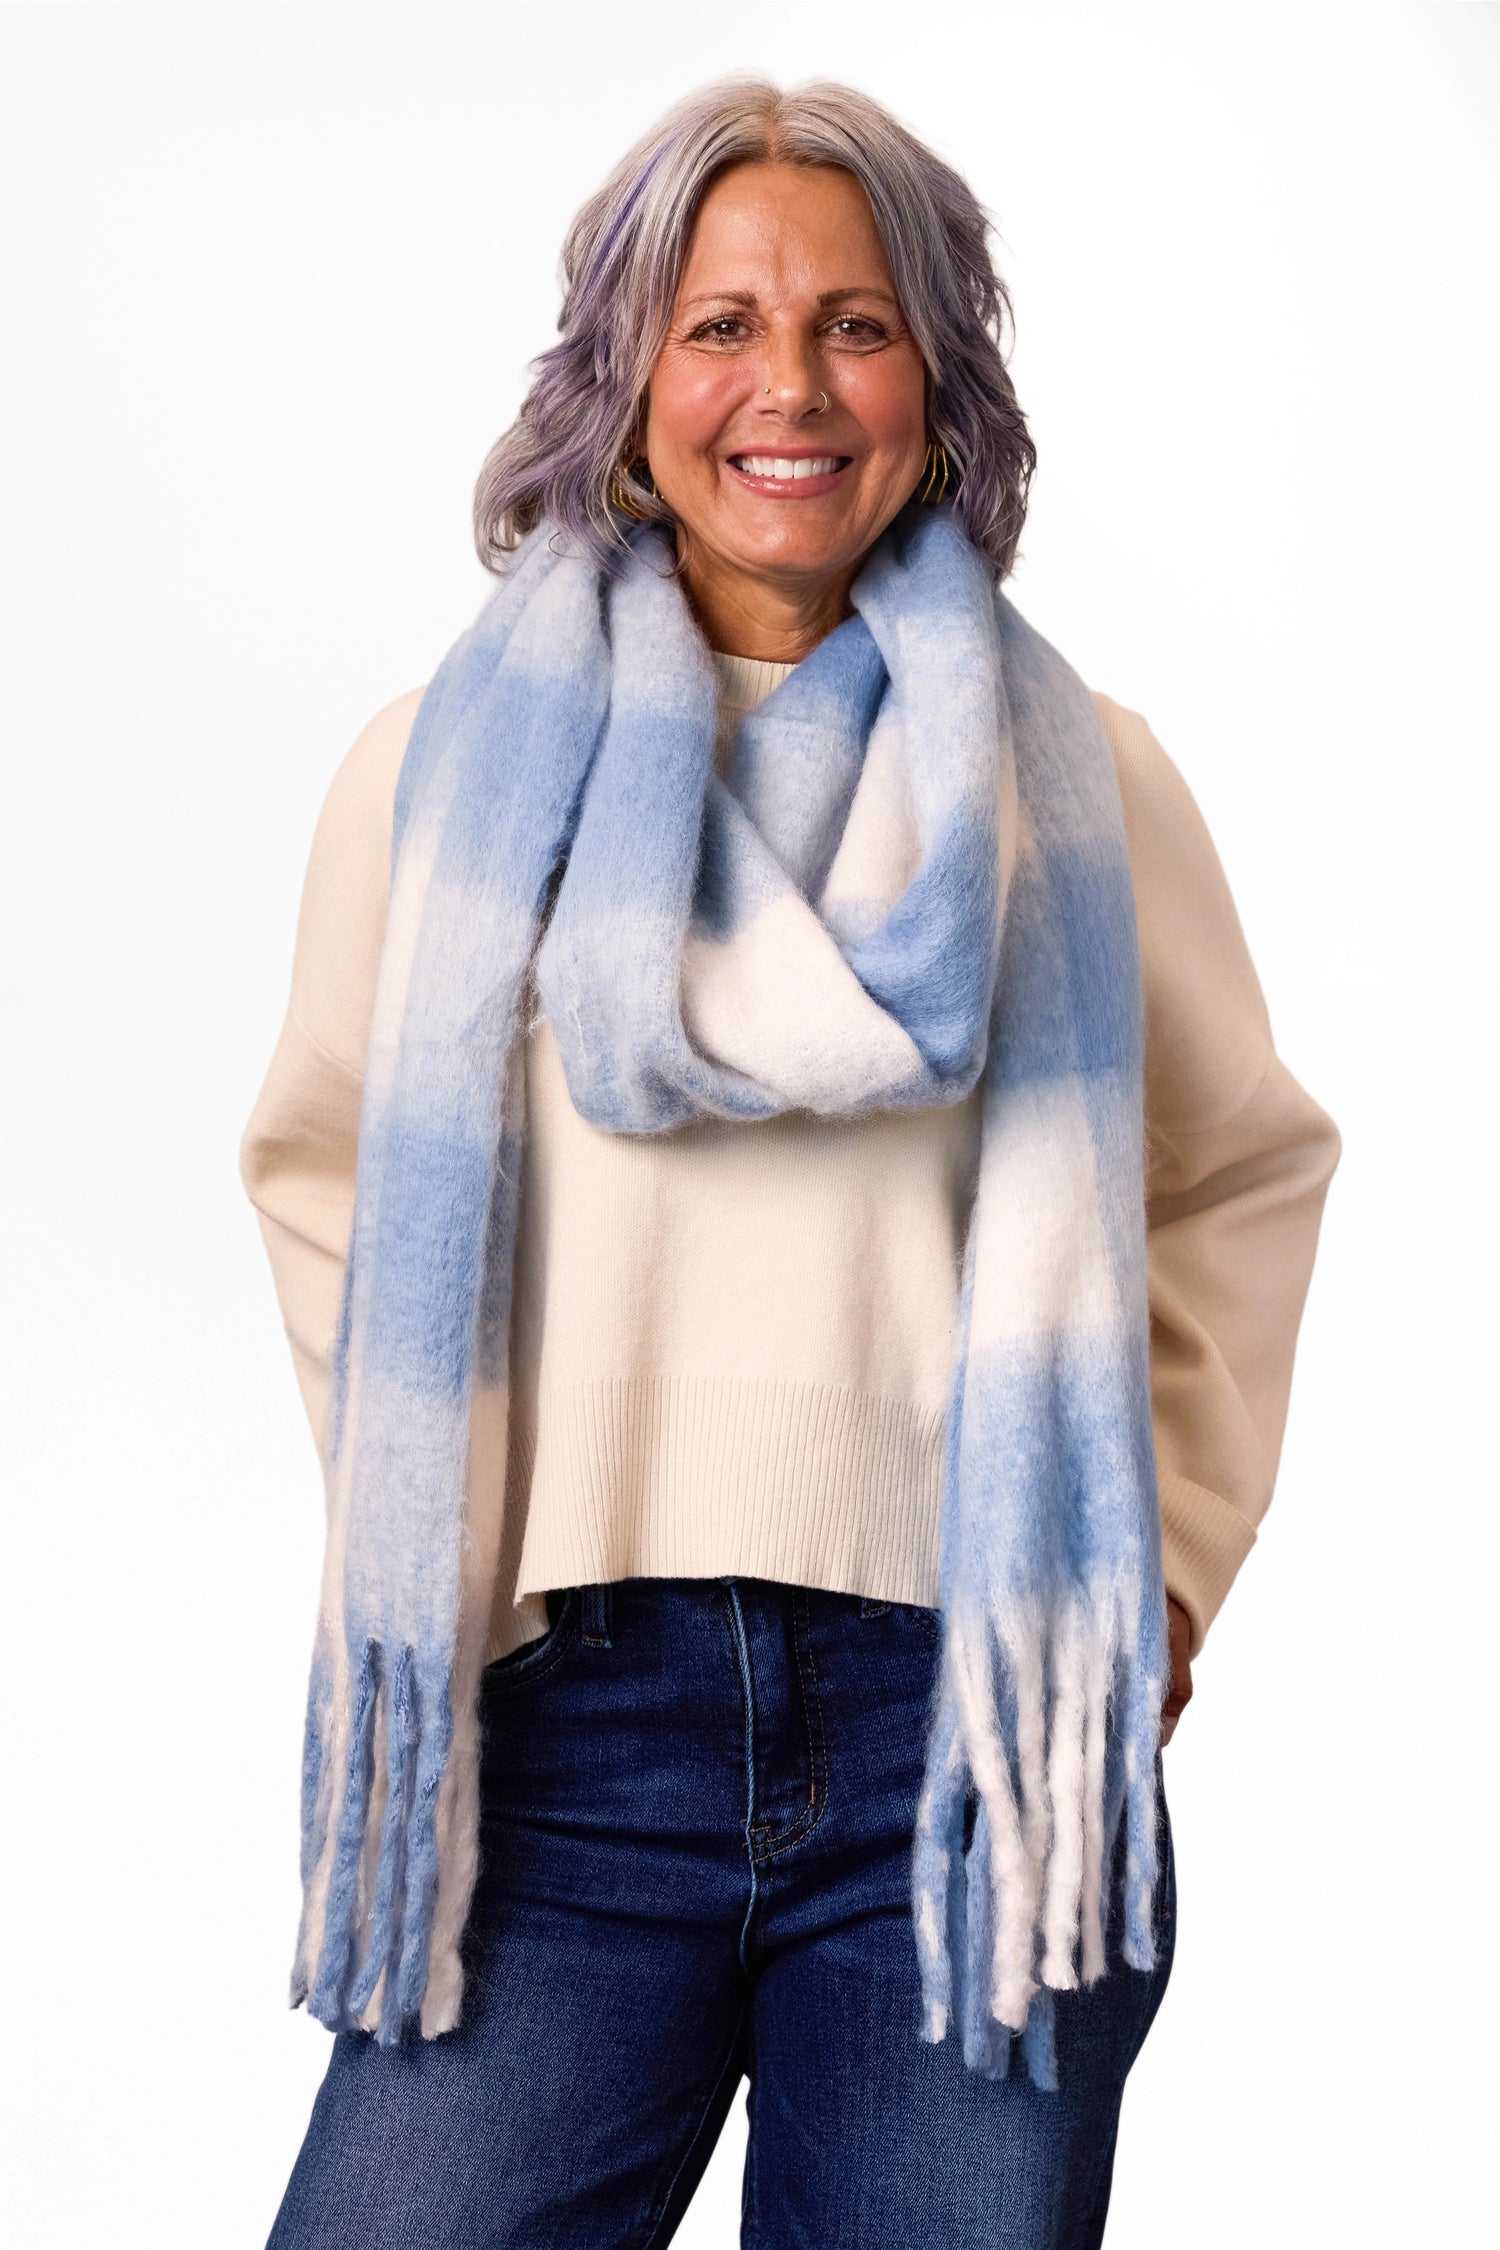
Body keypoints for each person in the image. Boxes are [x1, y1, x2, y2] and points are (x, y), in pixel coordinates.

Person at [240, 76, 1340, 2250]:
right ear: (627, 369)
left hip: (969, 1743)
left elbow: (1238, 1176)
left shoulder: (1075, 787)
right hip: (563, 1749)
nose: (791, 388)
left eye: (856, 324)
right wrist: (446, 1530)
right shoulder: (438, 779)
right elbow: (329, 1178)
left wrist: (1167, 1579)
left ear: (935, 380)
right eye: (721, 324)